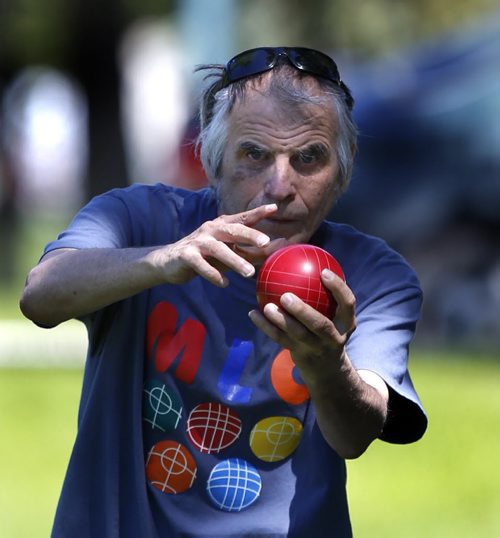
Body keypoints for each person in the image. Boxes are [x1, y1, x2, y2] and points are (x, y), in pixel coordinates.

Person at [20, 47, 427, 537]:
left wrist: (326, 364)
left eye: (309, 157)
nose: (280, 186)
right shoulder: (139, 219)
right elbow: (40, 296)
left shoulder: (373, 275)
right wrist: (162, 260)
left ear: (342, 170)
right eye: (254, 154)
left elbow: (356, 435)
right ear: (212, 160)